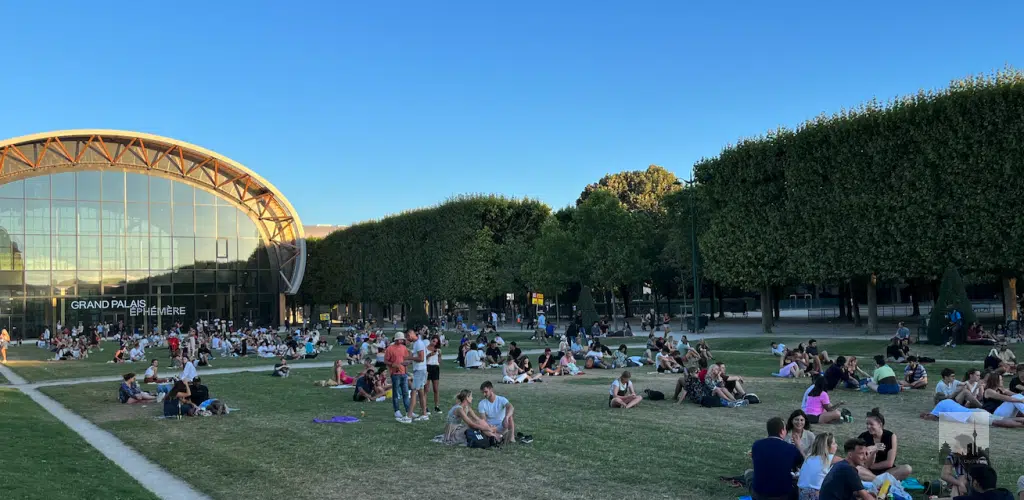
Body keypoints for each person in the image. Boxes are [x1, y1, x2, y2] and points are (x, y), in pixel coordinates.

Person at [747, 416, 803, 500]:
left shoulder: (757, 445)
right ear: (781, 431)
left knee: (748, 473)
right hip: (782, 495)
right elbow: (802, 463)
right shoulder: (790, 448)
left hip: (760, 494)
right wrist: (798, 445)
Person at [858, 408, 912, 481]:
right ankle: (879, 481)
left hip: (887, 471)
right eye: (867, 424)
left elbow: (889, 463)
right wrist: (870, 449)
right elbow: (861, 461)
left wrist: (872, 466)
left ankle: (875, 480)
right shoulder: (863, 436)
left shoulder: (890, 436)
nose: (868, 427)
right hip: (868, 471)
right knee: (857, 469)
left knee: (907, 468)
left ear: (880, 424)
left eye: (871, 424)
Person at [797, 432, 842, 500]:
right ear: (827, 447)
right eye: (834, 443)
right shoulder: (830, 458)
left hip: (802, 494)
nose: (836, 445)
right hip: (815, 495)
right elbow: (851, 464)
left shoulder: (809, 457)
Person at [385, 331, 413, 423]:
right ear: (396, 339)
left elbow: (406, 359)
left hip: (403, 373)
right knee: (396, 393)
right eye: (400, 339)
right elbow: (386, 361)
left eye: (402, 339)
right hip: (395, 374)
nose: (401, 341)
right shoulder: (390, 349)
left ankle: (408, 411)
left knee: (405, 393)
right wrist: (393, 364)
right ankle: (397, 410)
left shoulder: (404, 348)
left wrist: (407, 363)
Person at [948, 465, 1015, 500]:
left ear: (975, 483)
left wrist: (956, 484)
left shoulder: (975, 498)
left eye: (969, 479)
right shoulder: (1007, 494)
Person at [407, 329, 429, 421]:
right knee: (420, 392)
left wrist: (409, 357)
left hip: (420, 370)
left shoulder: (419, 343)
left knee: (413, 391)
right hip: (420, 369)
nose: (407, 339)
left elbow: (421, 358)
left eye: (407, 336)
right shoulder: (416, 343)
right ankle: (424, 414)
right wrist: (409, 361)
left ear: (411, 334)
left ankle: (409, 416)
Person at [426, 335, 442, 413]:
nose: (435, 343)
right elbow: (423, 359)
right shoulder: (426, 348)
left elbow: (439, 361)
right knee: (426, 389)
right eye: (434, 341)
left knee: (436, 389)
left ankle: (436, 406)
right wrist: (429, 355)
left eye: (436, 342)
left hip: (435, 368)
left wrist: (439, 355)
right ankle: (425, 406)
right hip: (428, 367)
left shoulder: (437, 349)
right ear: (431, 340)